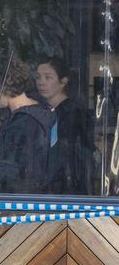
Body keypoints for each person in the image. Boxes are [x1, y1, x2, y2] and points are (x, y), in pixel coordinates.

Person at [0, 58, 59, 194]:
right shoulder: (41, 110)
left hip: (20, 208)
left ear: (2, 84)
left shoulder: (23, 124)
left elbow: (4, 179)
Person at [36, 58, 96, 194]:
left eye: (48, 77)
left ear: (63, 81)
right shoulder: (41, 111)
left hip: (69, 190)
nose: (41, 82)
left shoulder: (74, 113)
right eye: (38, 77)